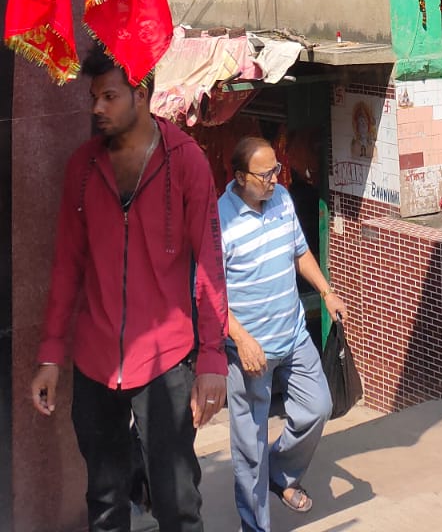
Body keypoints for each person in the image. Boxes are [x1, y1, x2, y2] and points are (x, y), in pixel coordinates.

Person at [30, 42, 228, 532]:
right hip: (96, 363)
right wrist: (52, 355)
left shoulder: (187, 162)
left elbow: (209, 266)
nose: (96, 107)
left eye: (109, 96)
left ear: (141, 95)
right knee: (104, 503)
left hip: (166, 362)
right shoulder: (82, 167)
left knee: (178, 503)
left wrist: (212, 360)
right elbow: (67, 266)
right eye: (94, 96)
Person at [219, 135, 348, 530]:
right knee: (249, 447)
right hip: (248, 351)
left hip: (292, 334)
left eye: (276, 169)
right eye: (264, 174)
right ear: (240, 177)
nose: (274, 179)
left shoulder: (283, 200)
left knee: (317, 408)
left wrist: (326, 291)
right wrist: (240, 338)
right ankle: (255, 525)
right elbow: (206, 294)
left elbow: (299, 252)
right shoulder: (217, 221)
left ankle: (281, 473)